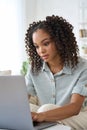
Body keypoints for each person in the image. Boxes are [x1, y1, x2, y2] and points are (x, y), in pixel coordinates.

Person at [25, 15, 87, 130]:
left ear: (59, 41)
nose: (41, 51)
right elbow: (22, 100)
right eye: (36, 46)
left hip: (78, 117)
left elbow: (75, 108)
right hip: (46, 113)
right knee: (28, 109)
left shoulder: (82, 67)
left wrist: (41, 115)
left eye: (46, 43)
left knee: (45, 109)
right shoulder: (34, 68)